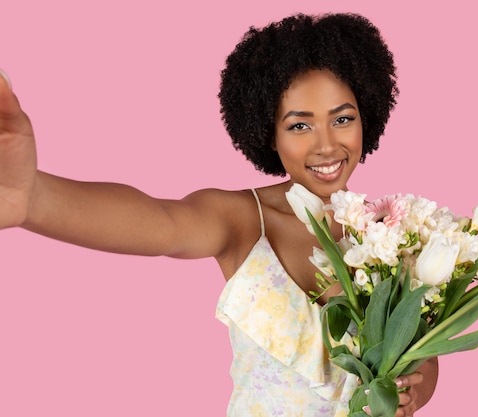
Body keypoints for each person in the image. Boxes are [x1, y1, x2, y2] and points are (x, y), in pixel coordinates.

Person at [0, 12, 438, 417]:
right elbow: (161, 224)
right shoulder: (244, 220)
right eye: (299, 125)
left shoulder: (392, 235)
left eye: (342, 119)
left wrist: (413, 392)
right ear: (268, 131)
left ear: (367, 117)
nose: (326, 145)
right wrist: (35, 199)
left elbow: (426, 354)